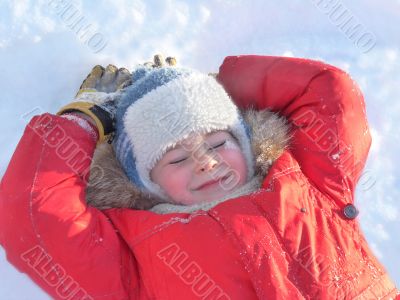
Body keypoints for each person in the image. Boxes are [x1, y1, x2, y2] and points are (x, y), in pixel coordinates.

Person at [0, 55, 398, 300]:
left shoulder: (310, 181)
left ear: (243, 142)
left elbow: (329, 91)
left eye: (219, 141)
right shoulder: (133, 253)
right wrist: (84, 121)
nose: (205, 162)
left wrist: (212, 87)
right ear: (146, 183)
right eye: (175, 159)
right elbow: (35, 222)